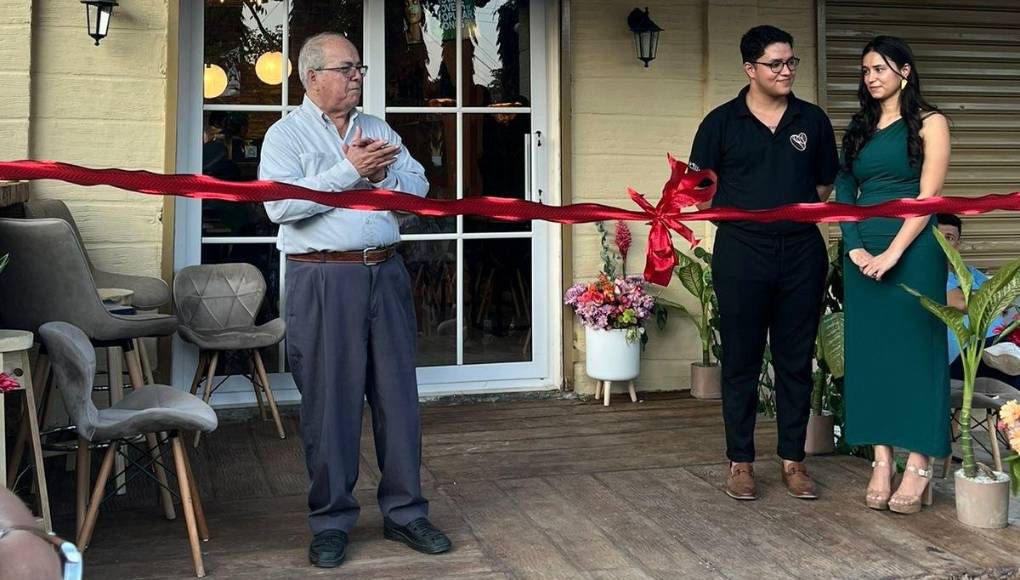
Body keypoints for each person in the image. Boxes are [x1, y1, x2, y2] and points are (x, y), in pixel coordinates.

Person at [258, 32, 452, 569]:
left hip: (385, 272)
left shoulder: (377, 128)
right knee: (329, 403)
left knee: (398, 399)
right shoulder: (285, 136)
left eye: (359, 68)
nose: (358, 76)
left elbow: (418, 185)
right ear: (312, 77)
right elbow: (279, 207)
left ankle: (406, 513)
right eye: (347, 68)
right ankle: (331, 521)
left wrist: (385, 170)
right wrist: (350, 172)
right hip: (322, 277)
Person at [687, 25, 839, 501]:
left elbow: (822, 188)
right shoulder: (721, 123)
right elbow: (696, 190)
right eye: (775, 64)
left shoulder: (812, 121)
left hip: (800, 253)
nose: (786, 71)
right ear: (750, 69)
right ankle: (741, 462)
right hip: (740, 252)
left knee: (795, 360)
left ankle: (794, 460)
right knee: (741, 360)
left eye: (791, 62)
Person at [837, 36, 952, 514]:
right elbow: (845, 188)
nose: (871, 78)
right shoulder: (861, 126)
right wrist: (857, 247)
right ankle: (881, 460)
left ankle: (919, 464)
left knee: (916, 354)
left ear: (904, 70)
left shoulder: (932, 122)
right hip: (863, 250)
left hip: (915, 248)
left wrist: (892, 253)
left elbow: (928, 198)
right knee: (872, 356)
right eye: (865, 71)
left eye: (879, 69)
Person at [936, 213, 1020, 389]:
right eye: (937, 236)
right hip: (963, 360)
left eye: (949, 238)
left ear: (957, 244)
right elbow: (960, 303)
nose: (943, 243)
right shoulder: (929, 277)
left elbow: (1006, 301)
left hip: (997, 358)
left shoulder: (971, 274)